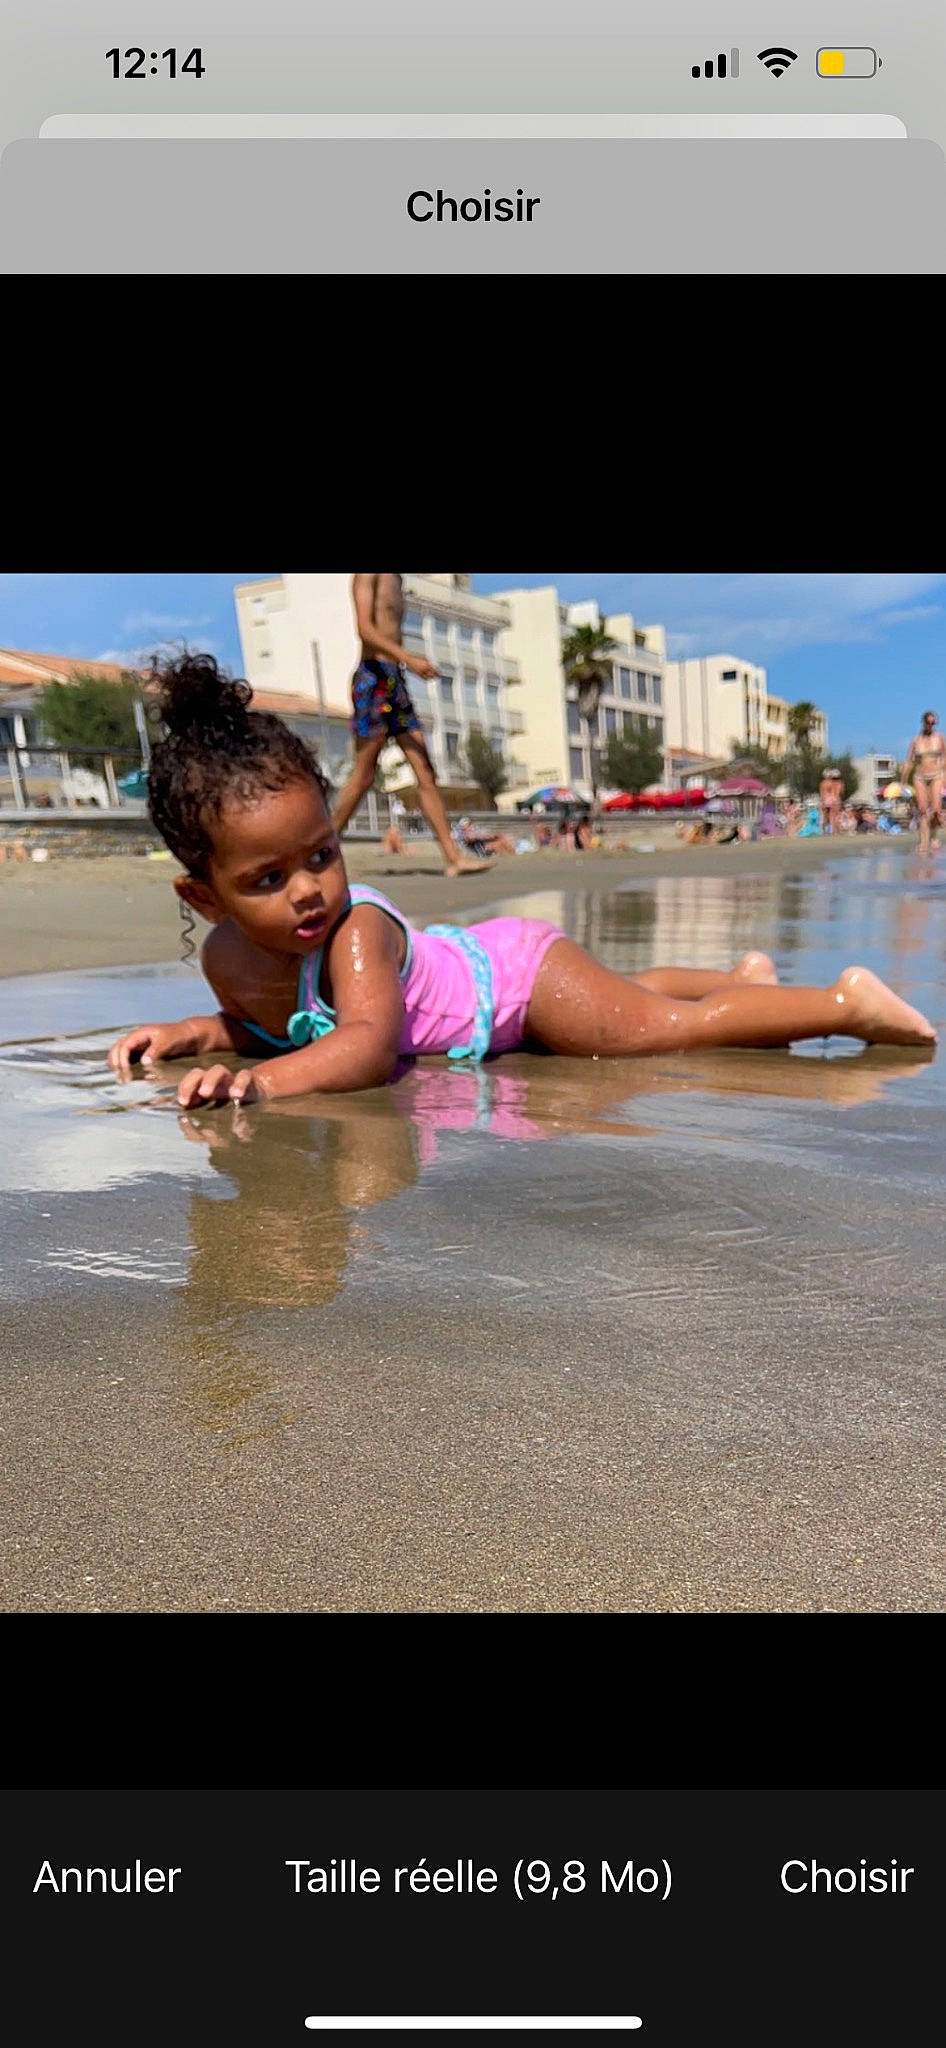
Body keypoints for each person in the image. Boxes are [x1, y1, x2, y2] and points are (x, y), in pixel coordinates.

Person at [107, 654, 937, 1109]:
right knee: (630, 995)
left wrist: (260, 1084)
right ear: (205, 898)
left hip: (516, 984)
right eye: (268, 877)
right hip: (496, 977)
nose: (308, 891)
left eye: (322, 854)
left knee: (653, 1031)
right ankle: (740, 978)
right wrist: (201, 1033)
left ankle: (842, 1005)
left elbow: (359, 1046)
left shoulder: (356, 932)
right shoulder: (227, 958)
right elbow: (275, 1023)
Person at [330, 573, 493, 879]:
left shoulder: (398, 579)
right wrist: (409, 659)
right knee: (364, 775)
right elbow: (364, 629)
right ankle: (323, 850)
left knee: (425, 771)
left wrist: (404, 664)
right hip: (373, 679)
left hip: (396, 682)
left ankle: (453, 857)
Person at [902, 709, 946, 853]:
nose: (930, 725)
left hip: (937, 775)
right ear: (923, 722)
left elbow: (945, 757)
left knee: (936, 810)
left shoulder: (939, 738)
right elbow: (908, 761)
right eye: (928, 723)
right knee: (922, 810)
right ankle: (923, 842)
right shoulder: (916, 740)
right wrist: (903, 781)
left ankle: (933, 837)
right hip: (920, 776)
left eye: (933, 723)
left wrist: (944, 773)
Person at [819, 767, 844, 834]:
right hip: (835, 799)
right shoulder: (839, 783)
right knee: (835, 816)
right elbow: (841, 792)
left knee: (825, 817)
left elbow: (822, 794)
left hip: (826, 799)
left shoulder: (823, 783)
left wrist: (822, 802)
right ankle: (835, 831)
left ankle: (825, 831)